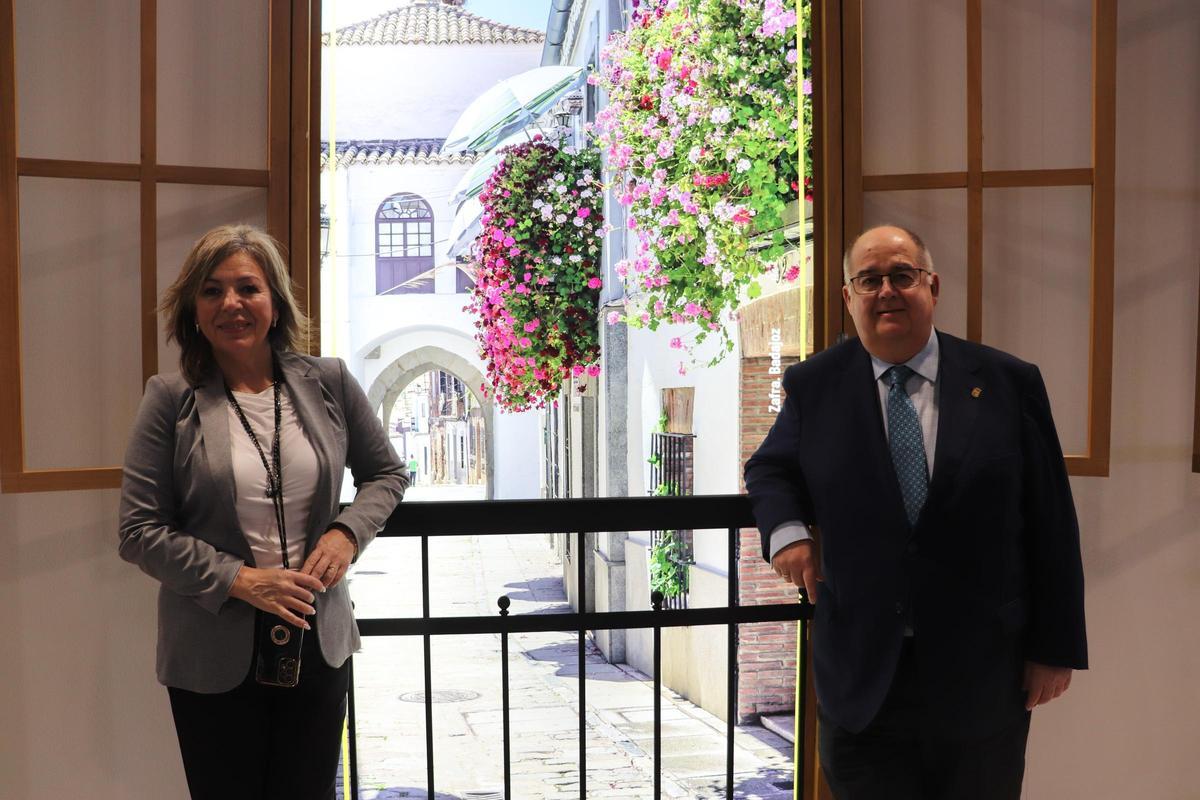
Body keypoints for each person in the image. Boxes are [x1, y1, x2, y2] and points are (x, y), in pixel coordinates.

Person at [744, 225, 1087, 800]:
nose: (887, 291)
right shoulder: (814, 386)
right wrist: (787, 533)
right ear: (847, 297)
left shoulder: (1007, 383)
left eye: (902, 276)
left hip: (982, 675)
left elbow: (1051, 518)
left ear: (933, 286)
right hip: (862, 677)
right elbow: (769, 469)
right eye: (869, 279)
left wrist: (1055, 648)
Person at [118, 224, 408, 800]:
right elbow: (138, 530)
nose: (231, 303)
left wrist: (347, 533)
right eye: (212, 290)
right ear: (193, 311)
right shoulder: (169, 399)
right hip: (210, 651)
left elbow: (388, 474)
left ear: (274, 303)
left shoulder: (329, 382)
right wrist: (242, 581)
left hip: (316, 639)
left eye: (247, 288)